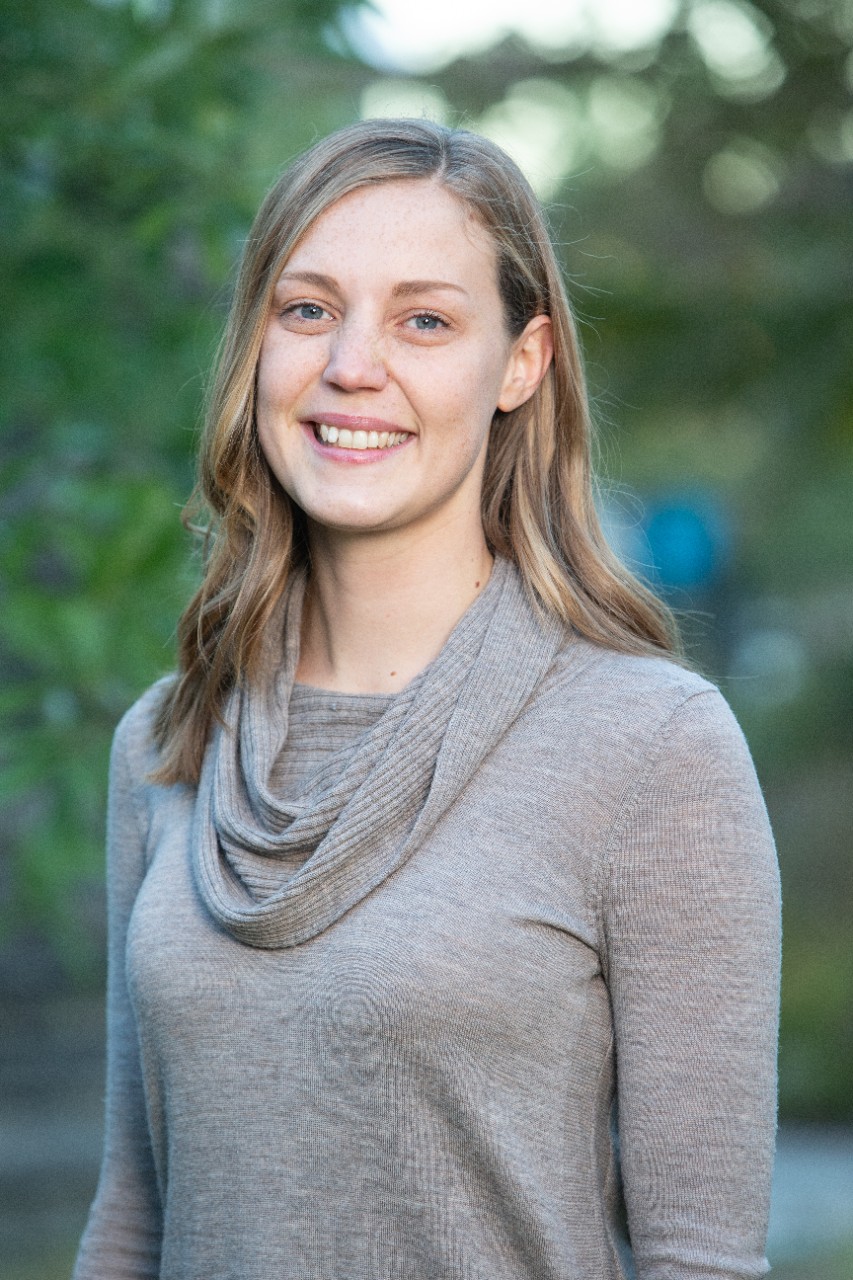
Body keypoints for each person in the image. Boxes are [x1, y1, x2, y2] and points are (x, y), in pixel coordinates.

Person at [73, 118, 781, 1280]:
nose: (353, 364)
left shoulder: (651, 745)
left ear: (521, 363)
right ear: (254, 345)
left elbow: (699, 1256)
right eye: (308, 309)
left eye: (424, 320)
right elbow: (131, 1218)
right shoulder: (166, 738)